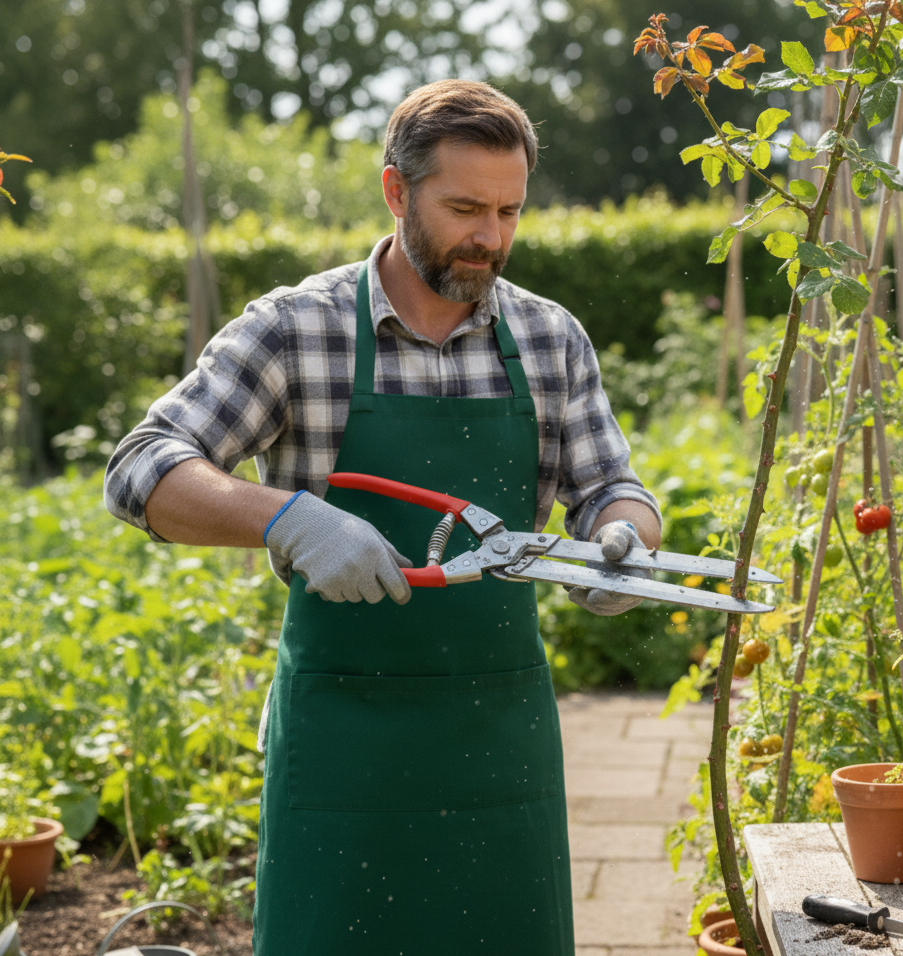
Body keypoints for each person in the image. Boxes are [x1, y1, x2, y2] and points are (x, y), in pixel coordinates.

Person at [104, 79, 661, 956]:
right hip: (341, 743)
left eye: (510, 211)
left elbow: (609, 487)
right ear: (398, 192)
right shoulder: (296, 329)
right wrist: (289, 518)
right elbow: (141, 468)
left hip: (498, 738)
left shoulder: (552, 339)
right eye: (466, 208)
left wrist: (622, 542)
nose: (491, 237)